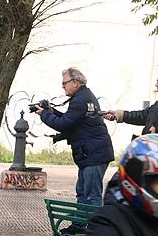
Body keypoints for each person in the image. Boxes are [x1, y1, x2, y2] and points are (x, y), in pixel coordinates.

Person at [34, 68, 114, 212]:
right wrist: (52, 111)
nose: (62, 86)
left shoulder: (81, 100)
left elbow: (63, 124)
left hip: (93, 154)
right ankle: (79, 226)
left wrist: (44, 114)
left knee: (91, 196)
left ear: (75, 82)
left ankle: (93, 230)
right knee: (83, 193)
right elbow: (70, 120)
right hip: (90, 153)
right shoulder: (84, 96)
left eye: (64, 83)